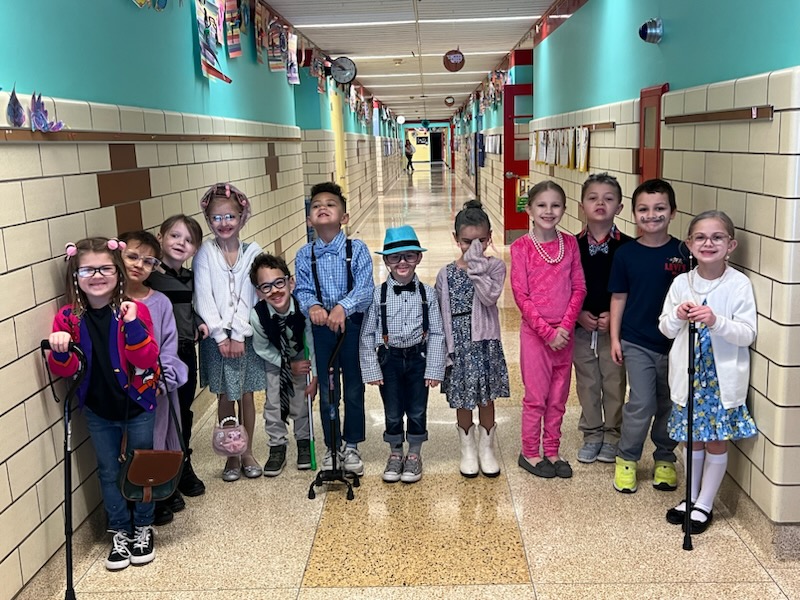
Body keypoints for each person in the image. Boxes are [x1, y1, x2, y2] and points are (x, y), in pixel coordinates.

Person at [47, 237, 160, 571]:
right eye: (87, 269)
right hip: (97, 410)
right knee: (109, 472)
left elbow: (148, 357)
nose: (97, 275)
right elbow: (64, 370)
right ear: (75, 276)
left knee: (143, 469)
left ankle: (143, 526)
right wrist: (60, 349)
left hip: (137, 404)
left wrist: (133, 324)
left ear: (118, 272)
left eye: (105, 268)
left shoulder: (133, 310)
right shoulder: (67, 319)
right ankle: (120, 532)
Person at [659, 210, 757, 534]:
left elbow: (747, 333)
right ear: (689, 244)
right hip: (689, 380)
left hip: (718, 382)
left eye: (717, 237)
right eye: (700, 237)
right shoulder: (680, 283)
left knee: (715, 441)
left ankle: (705, 502)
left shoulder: (739, 284)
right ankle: (691, 496)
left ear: (731, 245)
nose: (708, 243)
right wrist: (677, 314)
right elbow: (666, 330)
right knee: (691, 440)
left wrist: (716, 321)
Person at [609, 178, 688, 493]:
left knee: (669, 402)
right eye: (643, 209)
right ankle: (627, 458)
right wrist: (615, 338)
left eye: (659, 208)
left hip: (676, 344)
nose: (651, 215)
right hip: (636, 340)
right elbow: (619, 297)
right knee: (641, 403)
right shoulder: (626, 254)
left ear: (672, 212)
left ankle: (665, 458)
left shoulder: (684, 252)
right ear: (633, 212)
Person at [295, 182, 373, 475]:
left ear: (344, 217)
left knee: (353, 388)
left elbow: (365, 288)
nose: (322, 208)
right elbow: (302, 289)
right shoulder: (305, 255)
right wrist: (313, 306)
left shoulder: (357, 249)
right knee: (328, 391)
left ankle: (351, 444)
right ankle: (332, 445)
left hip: (351, 328)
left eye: (330, 204)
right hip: (322, 332)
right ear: (309, 219)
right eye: (316, 206)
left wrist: (343, 307)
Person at [511, 181, 586, 479]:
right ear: (529, 209)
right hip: (536, 336)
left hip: (564, 335)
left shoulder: (570, 244)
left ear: (564, 210)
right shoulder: (521, 247)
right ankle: (530, 451)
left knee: (558, 397)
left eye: (555, 205)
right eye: (541, 205)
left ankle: (552, 450)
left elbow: (579, 287)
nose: (548, 211)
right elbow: (521, 296)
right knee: (536, 396)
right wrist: (548, 332)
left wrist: (565, 327)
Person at [361, 225, 446, 483]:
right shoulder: (378, 295)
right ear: (386, 260)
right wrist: (372, 369)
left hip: (419, 358)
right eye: (395, 257)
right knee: (393, 410)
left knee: (418, 409)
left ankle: (415, 454)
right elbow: (366, 334)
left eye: (409, 256)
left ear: (418, 258)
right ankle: (395, 452)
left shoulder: (428, 294)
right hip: (389, 359)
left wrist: (434, 369)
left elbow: (438, 334)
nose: (402, 262)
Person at [193, 183, 266, 481]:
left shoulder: (254, 252)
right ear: (208, 221)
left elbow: (251, 295)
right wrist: (221, 336)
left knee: (246, 394)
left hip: (244, 338)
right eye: (216, 219)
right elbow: (203, 296)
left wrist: (237, 334)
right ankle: (230, 455)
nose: (223, 224)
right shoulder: (204, 253)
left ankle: (247, 450)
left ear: (243, 216)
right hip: (216, 340)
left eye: (230, 217)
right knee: (225, 395)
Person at [436, 201, 510, 478]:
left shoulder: (494, 267)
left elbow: (489, 297)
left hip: (485, 342)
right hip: (459, 344)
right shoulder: (445, 273)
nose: (474, 247)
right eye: (467, 242)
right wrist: (443, 348)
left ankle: (486, 448)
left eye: (481, 240)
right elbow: (441, 312)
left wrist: (476, 266)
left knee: (486, 397)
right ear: (456, 239)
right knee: (462, 398)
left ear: (490, 237)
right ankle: (467, 448)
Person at [120, 231, 188, 526]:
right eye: (132, 257)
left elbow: (169, 346)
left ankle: (158, 490)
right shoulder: (111, 300)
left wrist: (163, 380)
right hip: (123, 388)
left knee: (158, 439)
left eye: (148, 261)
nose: (139, 265)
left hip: (156, 387)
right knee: (128, 443)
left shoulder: (159, 302)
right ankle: (132, 494)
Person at [573, 174, 633, 464]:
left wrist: (616, 318)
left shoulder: (630, 248)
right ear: (582, 205)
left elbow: (633, 290)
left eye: (608, 199)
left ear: (619, 207)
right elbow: (564, 288)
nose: (600, 203)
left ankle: (612, 433)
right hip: (581, 326)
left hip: (614, 331)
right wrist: (578, 315)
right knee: (586, 382)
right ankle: (592, 432)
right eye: (593, 198)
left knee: (613, 381)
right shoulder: (571, 247)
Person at [147, 214, 208, 497]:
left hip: (185, 352)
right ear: (160, 237)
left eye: (189, 240)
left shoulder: (190, 277)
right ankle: (161, 479)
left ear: (195, 249)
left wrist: (198, 323)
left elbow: (190, 309)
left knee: (182, 411)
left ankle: (182, 466)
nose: (180, 243)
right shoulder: (149, 277)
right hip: (158, 356)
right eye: (174, 236)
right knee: (161, 417)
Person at [249, 253, 318, 476]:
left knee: (301, 399)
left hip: (301, 356)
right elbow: (262, 348)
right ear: (259, 292)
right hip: (275, 359)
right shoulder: (257, 316)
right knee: (273, 403)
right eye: (266, 287)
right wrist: (286, 365)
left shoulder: (304, 310)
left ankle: (303, 441)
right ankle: (277, 445)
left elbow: (312, 345)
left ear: (290, 282)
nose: (275, 291)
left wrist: (315, 377)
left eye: (279, 283)